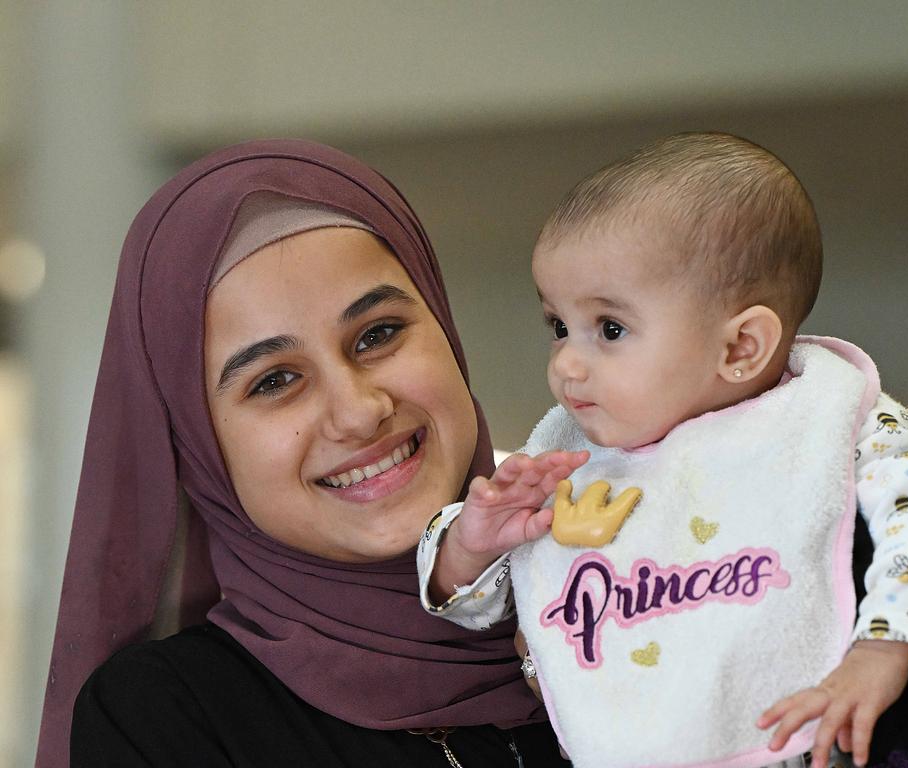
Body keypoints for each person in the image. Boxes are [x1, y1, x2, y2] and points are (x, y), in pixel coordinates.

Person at [416, 133, 908, 768]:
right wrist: (471, 542)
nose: (567, 363)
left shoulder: (825, 419)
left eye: (610, 328)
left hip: (796, 739)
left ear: (740, 348)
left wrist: (884, 650)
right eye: (557, 327)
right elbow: (477, 605)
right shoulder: (567, 453)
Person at [36, 139, 571, 767]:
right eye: (273, 380)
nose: (359, 410)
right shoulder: (166, 715)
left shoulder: (625, 600)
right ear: (200, 445)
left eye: (378, 334)